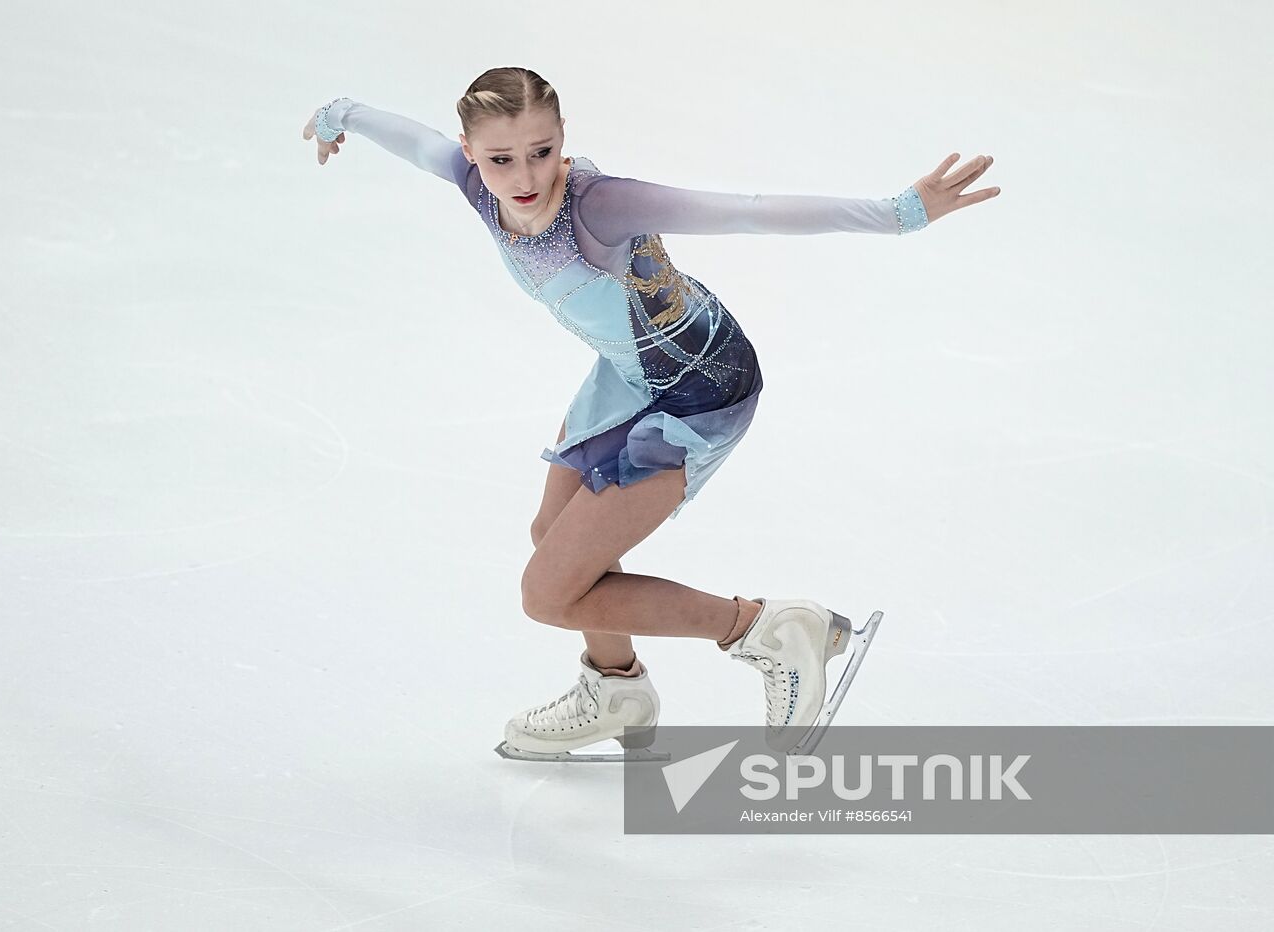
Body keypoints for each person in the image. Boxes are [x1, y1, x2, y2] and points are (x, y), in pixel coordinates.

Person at [303, 67, 1000, 761]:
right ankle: (617, 690)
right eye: (500, 158)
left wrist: (898, 213)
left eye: (541, 151)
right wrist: (341, 113)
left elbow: (745, 210)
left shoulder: (599, 206)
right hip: (629, 375)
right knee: (553, 532)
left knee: (547, 595)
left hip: (701, 388)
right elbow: (413, 140)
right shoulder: (473, 185)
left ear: (563, 138)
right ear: (472, 149)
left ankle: (769, 629)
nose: (523, 174)